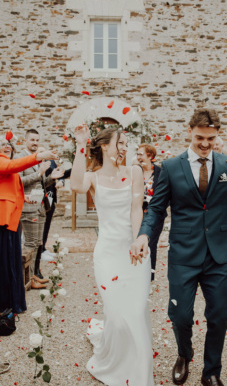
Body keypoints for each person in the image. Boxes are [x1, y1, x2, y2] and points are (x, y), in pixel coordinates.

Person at [131, 108, 227, 386]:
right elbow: (156, 209)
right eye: (200, 137)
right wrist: (143, 236)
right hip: (183, 254)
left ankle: (211, 371)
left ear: (217, 136)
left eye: (210, 139)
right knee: (180, 315)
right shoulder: (171, 167)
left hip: (218, 255)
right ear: (190, 131)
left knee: (219, 316)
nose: (205, 143)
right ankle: (184, 354)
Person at [70, 125, 153, 385]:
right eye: (121, 143)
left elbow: (136, 209)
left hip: (134, 250)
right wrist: (80, 145)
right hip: (106, 254)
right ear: (105, 146)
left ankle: (138, 371)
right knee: (116, 316)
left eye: (127, 143)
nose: (126, 148)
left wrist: (138, 240)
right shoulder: (93, 178)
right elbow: (76, 185)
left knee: (136, 311)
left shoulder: (134, 172)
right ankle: (113, 361)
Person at [0, 134, 58, 316]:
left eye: (9, 143)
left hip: (7, 219)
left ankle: (6, 303)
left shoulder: (6, 166)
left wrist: (24, 197)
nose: (8, 145)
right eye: (3, 143)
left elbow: (7, 188)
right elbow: (13, 166)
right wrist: (39, 156)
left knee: (6, 262)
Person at [15, 130, 64, 288]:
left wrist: (51, 177)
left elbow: (41, 183)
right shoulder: (20, 158)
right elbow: (18, 182)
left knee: (38, 243)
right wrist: (39, 172)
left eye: (37, 140)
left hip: (41, 206)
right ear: (25, 141)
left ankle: (35, 274)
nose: (35, 143)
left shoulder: (37, 159)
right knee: (30, 243)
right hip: (28, 207)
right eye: (32, 140)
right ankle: (27, 278)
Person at [136, 143, 168, 294]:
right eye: (137, 154)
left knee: (151, 245)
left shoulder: (161, 172)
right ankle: (136, 276)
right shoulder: (135, 171)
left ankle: (148, 280)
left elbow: (167, 194)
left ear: (150, 156)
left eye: (141, 154)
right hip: (137, 212)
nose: (138, 157)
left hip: (156, 214)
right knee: (136, 242)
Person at [41, 155, 71, 260]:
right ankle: (39, 251)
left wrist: (61, 181)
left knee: (47, 223)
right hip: (40, 197)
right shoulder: (35, 163)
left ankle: (43, 247)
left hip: (51, 197)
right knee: (40, 225)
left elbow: (59, 174)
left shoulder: (51, 161)